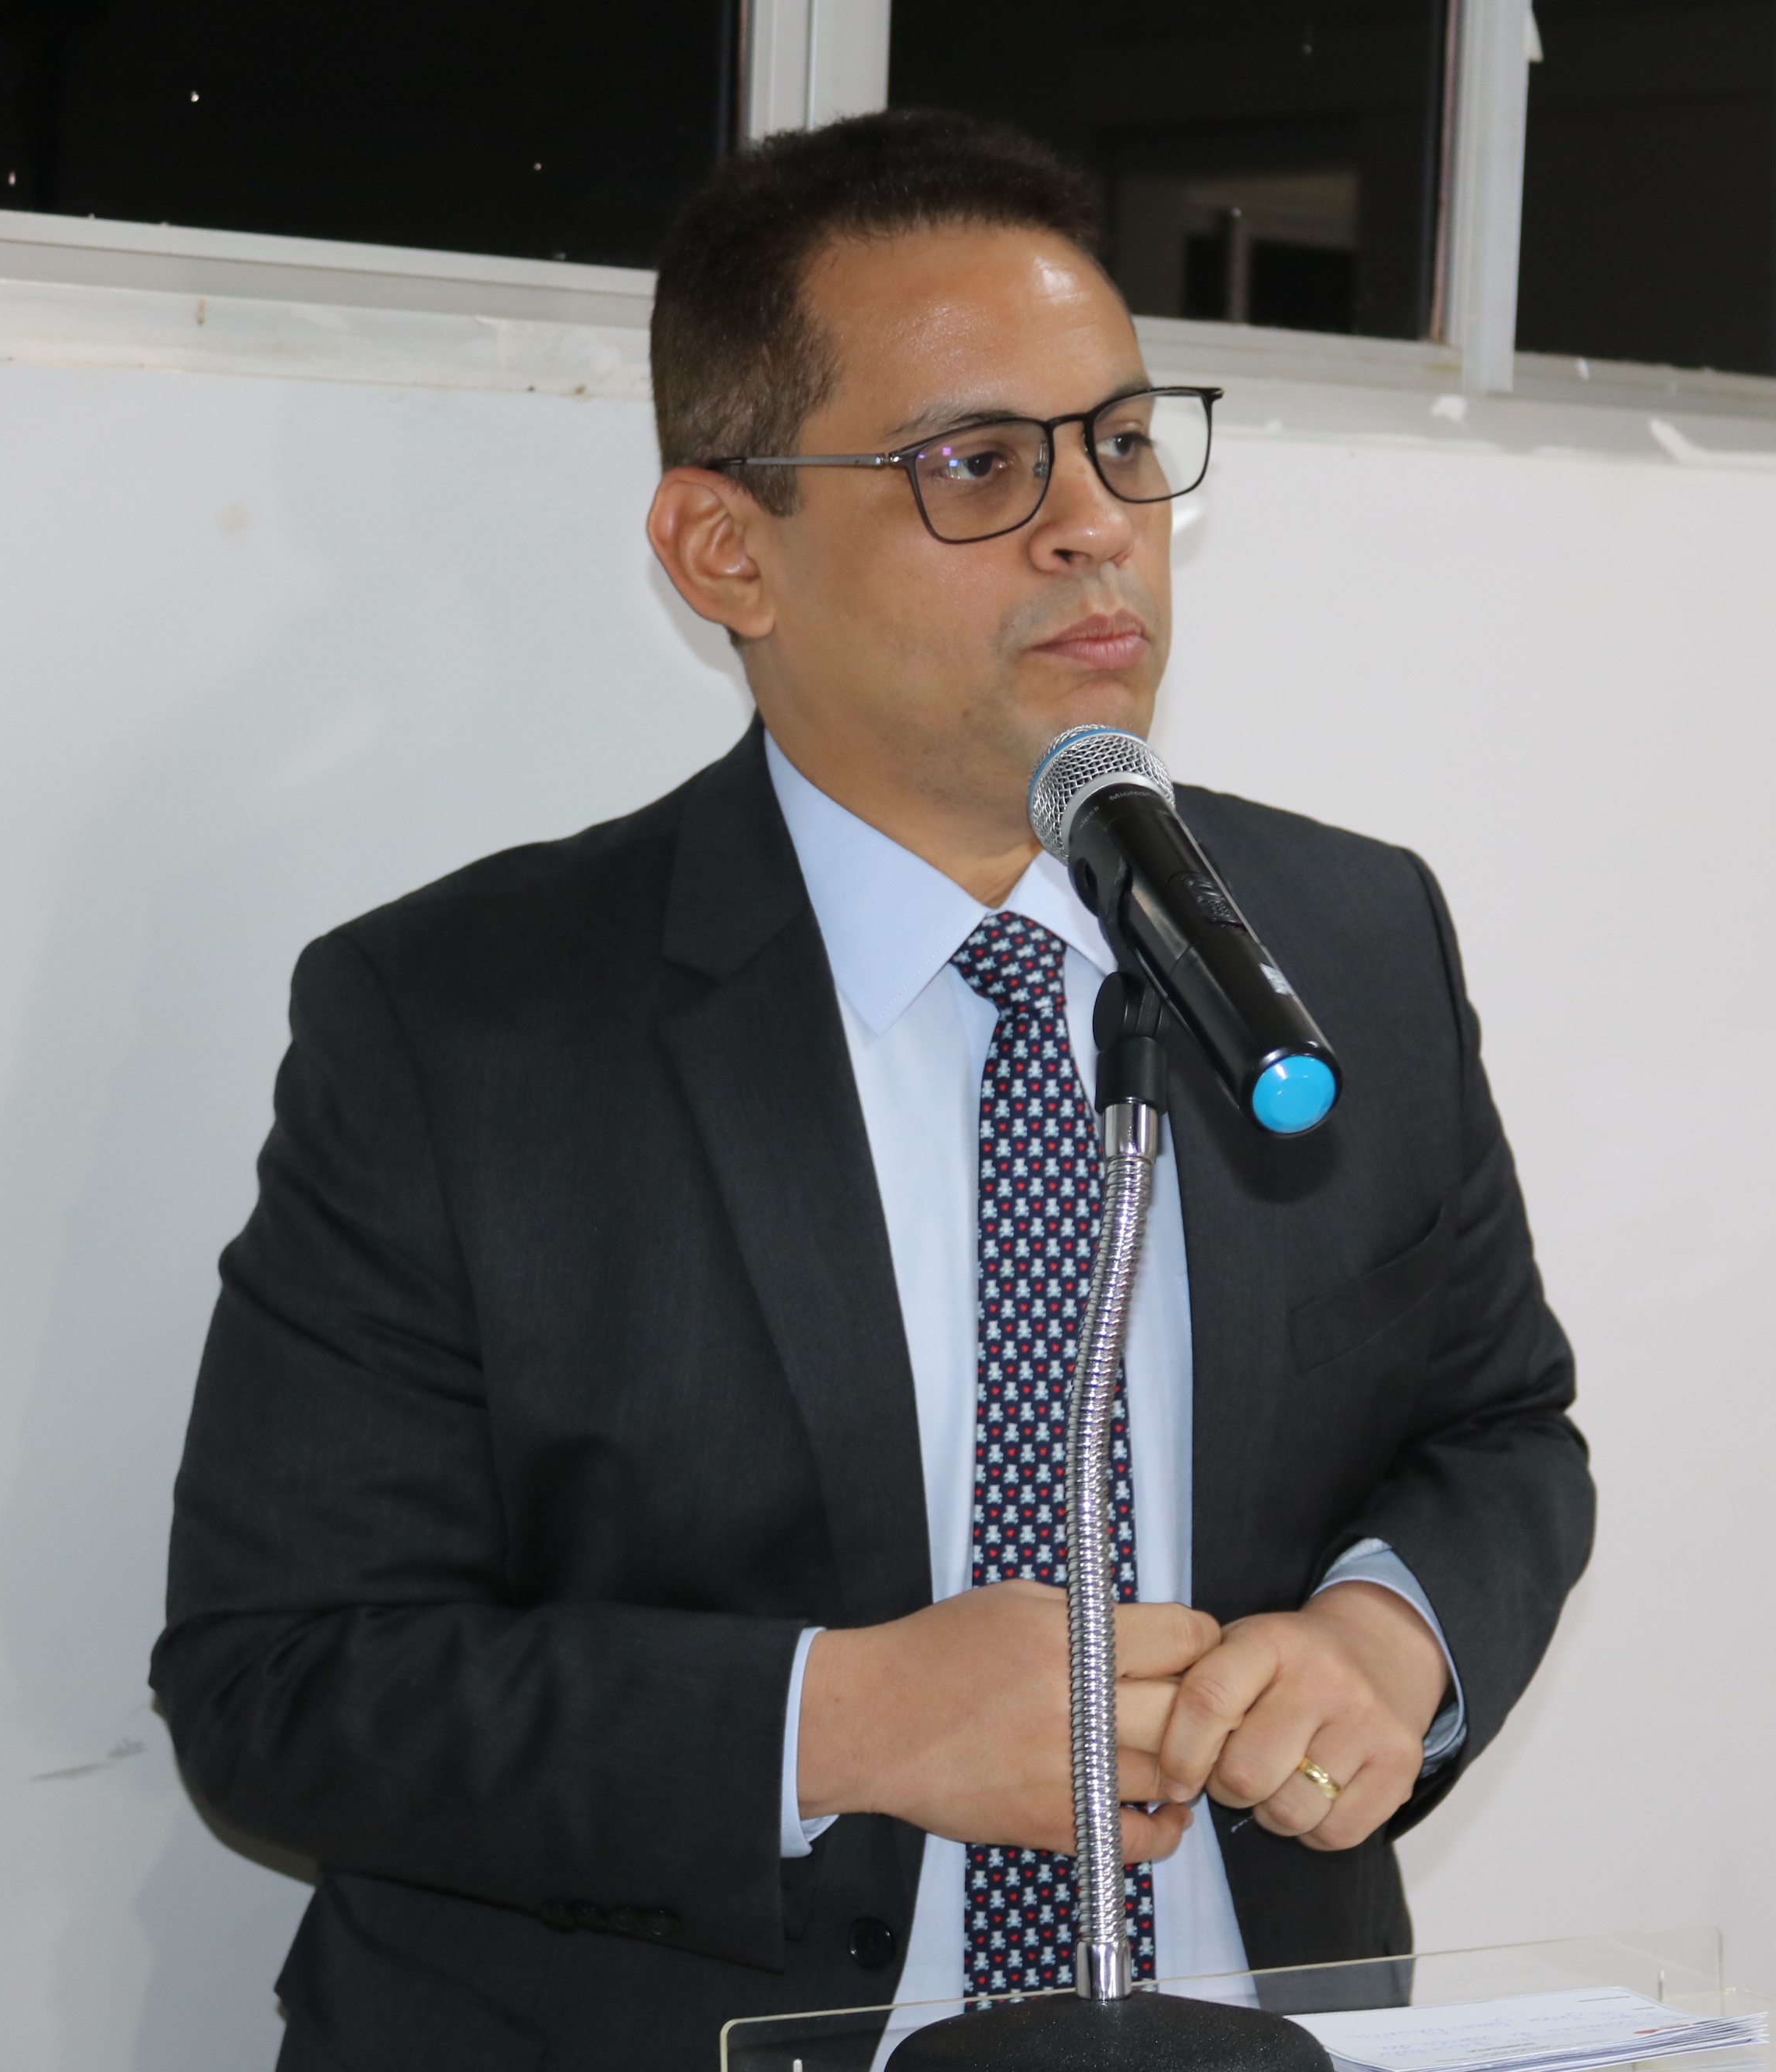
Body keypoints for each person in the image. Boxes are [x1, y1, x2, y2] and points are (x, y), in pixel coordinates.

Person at [153, 110, 1594, 2072]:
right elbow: (283, 1681)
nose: (1093, 524)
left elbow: (1500, 1431)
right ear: (725, 549)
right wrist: (839, 1720)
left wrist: (1386, 1633)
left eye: (1122, 441)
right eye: (979, 464)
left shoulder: (1345, 939)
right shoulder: (460, 1024)